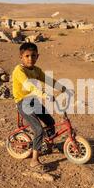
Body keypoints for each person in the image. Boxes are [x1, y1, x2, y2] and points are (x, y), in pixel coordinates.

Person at [12, 42, 66, 173]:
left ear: (38, 56)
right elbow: (29, 85)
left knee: (50, 122)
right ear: (21, 57)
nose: (30, 58)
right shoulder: (19, 71)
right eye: (27, 56)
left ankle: (49, 144)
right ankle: (34, 160)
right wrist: (44, 95)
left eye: (33, 55)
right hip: (23, 102)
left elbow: (48, 80)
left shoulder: (36, 70)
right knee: (38, 130)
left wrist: (62, 88)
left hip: (33, 100)